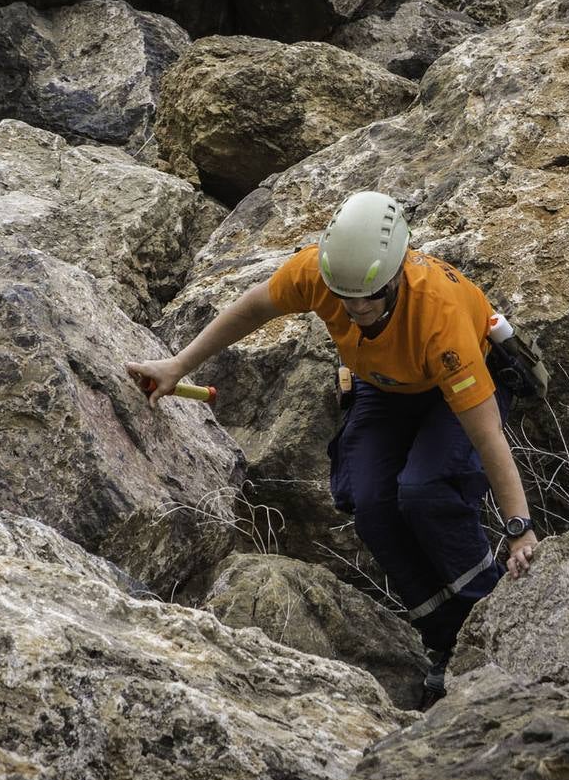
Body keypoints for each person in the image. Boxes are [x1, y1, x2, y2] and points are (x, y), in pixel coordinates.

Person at [126, 191, 538, 707]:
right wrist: (177, 365)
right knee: (372, 505)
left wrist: (520, 530)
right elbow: (252, 308)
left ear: (394, 276)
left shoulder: (441, 318)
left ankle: (491, 623)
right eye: (345, 298)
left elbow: (486, 434)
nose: (356, 310)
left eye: (368, 298)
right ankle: (446, 641)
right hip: (383, 388)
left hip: (446, 394)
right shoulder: (322, 275)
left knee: (425, 490)